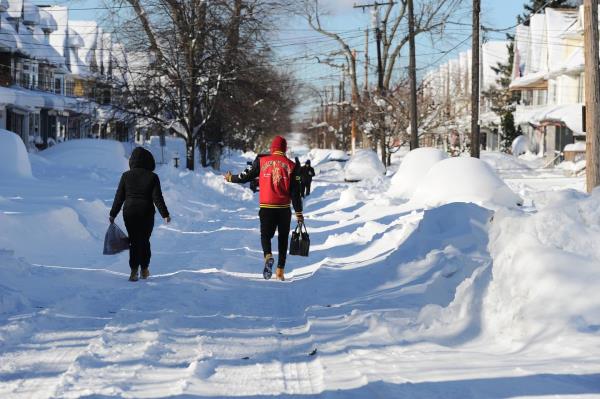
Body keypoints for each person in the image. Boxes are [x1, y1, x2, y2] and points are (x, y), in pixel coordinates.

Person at [224, 136, 303, 281]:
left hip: (267, 207)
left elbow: (245, 176)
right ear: (284, 149)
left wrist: (231, 178)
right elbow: (295, 193)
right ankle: (280, 271)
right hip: (284, 208)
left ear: (272, 148)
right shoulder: (292, 166)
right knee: (283, 239)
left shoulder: (262, 161)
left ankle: (268, 255)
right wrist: (299, 213)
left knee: (265, 235)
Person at [109, 147, 171, 282]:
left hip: (129, 212)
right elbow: (157, 198)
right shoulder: (153, 177)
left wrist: (113, 214)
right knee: (144, 240)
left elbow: (119, 197)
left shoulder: (126, 176)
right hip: (146, 212)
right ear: (149, 161)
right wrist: (165, 214)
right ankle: (144, 269)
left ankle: (133, 270)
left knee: (134, 240)